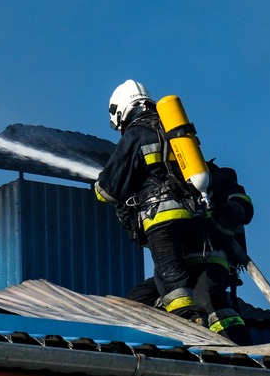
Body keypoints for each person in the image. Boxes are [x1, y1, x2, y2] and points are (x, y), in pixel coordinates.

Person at [93, 80, 254, 343]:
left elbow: (108, 191)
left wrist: (100, 187)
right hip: (200, 228)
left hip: (162, 221)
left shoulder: (137, 133)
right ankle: (240, 345)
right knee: (209, 299)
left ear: (120, 112)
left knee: (175, 290)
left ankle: (191, 338)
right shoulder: (179, 138)